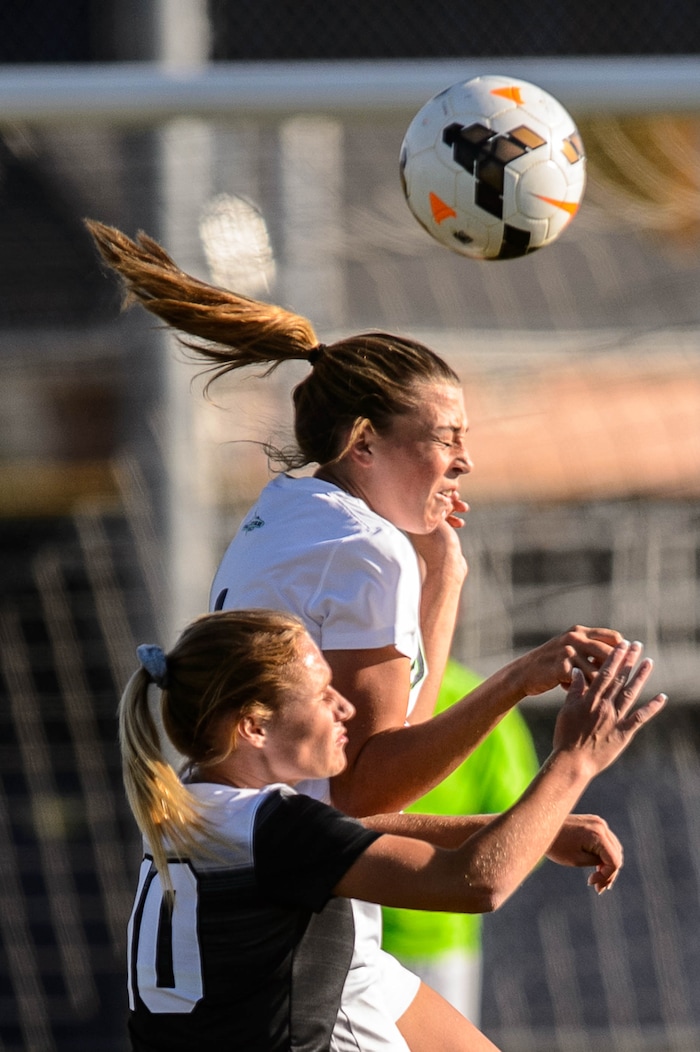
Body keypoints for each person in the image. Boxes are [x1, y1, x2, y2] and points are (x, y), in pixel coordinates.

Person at [88, 219, 636, 1049]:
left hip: (306, 903)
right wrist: (532, 700)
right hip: (305, 941)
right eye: (447, 437)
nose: (465, 460)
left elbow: (338, 796)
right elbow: (370, 791)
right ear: (365, 442)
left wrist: (443, 577)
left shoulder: (282, 514)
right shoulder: (363, 548)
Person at [120, 609, 665, 1052]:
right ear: (255, 726)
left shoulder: (190, 808)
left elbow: (335, 838)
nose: (344, 707)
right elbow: (475, 883)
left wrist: (534, 829)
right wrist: (575, 761)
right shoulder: (277, 828)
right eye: (320, 693)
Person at [381, 659, 539, 1024]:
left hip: (374, 933)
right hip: (431, 937)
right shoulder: (482, 699)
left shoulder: (347, 687)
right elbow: (522, 829)